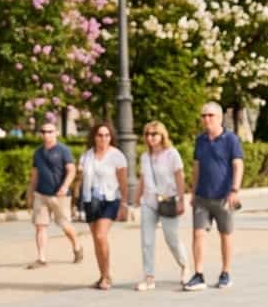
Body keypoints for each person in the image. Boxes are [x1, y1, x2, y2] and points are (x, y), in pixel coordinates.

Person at [184, 102, 244, 292]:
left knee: (225, 235)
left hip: (223, 197)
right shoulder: (200, 140)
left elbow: (238, 165)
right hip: (202, 196)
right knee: (198, 233)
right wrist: (193, 191)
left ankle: (225, 273)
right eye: (203, 116)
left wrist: (235, 189)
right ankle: (199, 274)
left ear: (219, 118)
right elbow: (196, 167)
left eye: (210, 115)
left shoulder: (230, 139)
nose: (206, 119)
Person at [134, 120, 189, 291]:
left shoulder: (172, 154)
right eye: (148, 134)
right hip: (149, 201)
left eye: (154, 134)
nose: (151, 138)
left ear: (162, 135)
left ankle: (185, 266)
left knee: (171, 237)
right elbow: (143, 178)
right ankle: (149, 277)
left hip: (168, 200)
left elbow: (180, 176)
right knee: (147, 240)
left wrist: (181, 199)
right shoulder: (145, 157)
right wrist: (137, 197)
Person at [77, 121, 128, 290]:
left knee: (100, 236)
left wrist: (124, 203)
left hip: (110, 199)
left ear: (111, 137)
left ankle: (106, 276)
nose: (103, 138)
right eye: (100, 135)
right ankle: (103, 275)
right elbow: (80, 180)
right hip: (90, 200)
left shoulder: (117, 156)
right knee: (97, 241)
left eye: (107, 135)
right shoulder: (86, 156)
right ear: (94, 137)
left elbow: (123, 182)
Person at [26, 122, 84, 269]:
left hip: (60, 196)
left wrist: (65, 187)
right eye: (44, 132)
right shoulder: (38, 152)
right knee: (40, 226)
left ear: (56, 133)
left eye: (50, 132)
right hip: (41, 194)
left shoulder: (63, 150)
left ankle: (77, 246)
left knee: (64, 225)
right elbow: (35, 174)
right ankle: (41, 259)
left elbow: (71, 170)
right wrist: (30, 193)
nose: (46, 134)